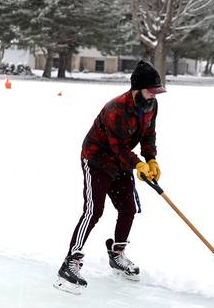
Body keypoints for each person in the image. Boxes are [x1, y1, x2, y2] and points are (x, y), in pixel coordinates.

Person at [55, 59, 165, 294]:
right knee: (94, 211)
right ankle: (70, 262)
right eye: (151, 91)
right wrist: (138, 165)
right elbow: (119, 148)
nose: (154, 96)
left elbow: (148, 136)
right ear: (137, 89)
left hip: (121, 162)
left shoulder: (151, 106)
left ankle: (117, 254)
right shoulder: (116, 108)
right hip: (96, 160)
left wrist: (151, 159)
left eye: (157, 92)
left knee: (128, 208)